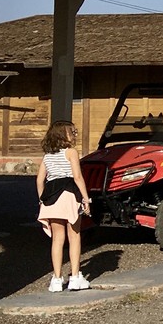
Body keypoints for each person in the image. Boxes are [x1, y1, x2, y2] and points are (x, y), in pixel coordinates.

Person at [36, 120, 92, 292]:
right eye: (72, 132)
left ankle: (56, 279)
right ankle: (75, 277)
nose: (74, 134)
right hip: (68, 195)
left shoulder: (47, 156)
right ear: (63, 135)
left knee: (57, 239)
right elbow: (77, 177)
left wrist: (41, 200)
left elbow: (39, 180)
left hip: (51, 198)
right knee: (74, 236)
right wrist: (86, 199)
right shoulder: (71, 152)